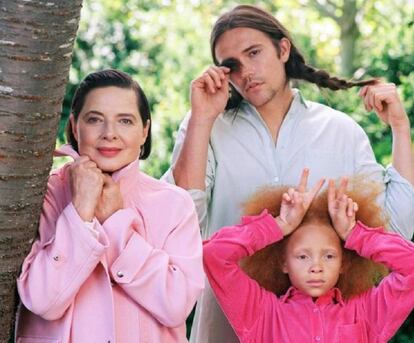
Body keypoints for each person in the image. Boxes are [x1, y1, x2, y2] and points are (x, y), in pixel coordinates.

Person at [162, 4, 414, 342]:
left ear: (283, 49)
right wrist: (201, 121)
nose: (246, 72)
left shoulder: (341, 130)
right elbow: (181, 223)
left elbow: (398, 226)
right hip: (226, 326)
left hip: (330, 330)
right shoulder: (205, 128)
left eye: (254, 53)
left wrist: (399, 126)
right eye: (232, 65)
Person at [15, 69, 204, 343]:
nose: (110, 134)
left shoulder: (175, 205)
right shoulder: (44, 194)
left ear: (144, 131)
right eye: (95, 120)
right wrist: (79, 212)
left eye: (125, 121)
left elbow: (176, 305)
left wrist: (116, 223)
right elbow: (43, 300)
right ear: (74, 126)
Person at [203, 170, 414, 342]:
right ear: (283, 262)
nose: (316, 266)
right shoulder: (261, 312)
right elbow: (214, 255)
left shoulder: (366, 312)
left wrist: (355, 235)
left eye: (329, 256)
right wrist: (277, 226)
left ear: (344, 262)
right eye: (303, 257)